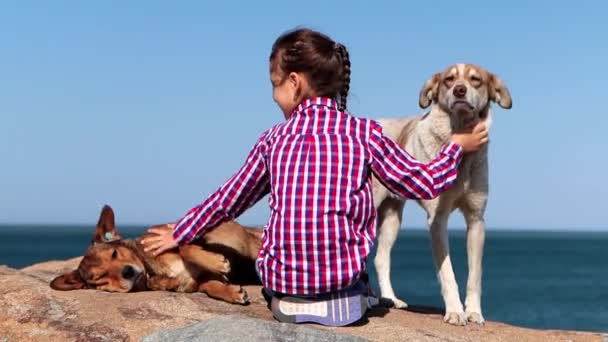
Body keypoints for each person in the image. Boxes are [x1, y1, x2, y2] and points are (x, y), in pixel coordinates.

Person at [141, 28, 488, 326]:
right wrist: (456, 146)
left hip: (284, 300)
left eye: (274, 85)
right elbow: (424, 183)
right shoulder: (364, 134)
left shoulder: (272, 140)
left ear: (294, 83)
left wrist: (181, 231)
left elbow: (229, 199)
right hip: (345, 305)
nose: (274, 95)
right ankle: (360, 288)